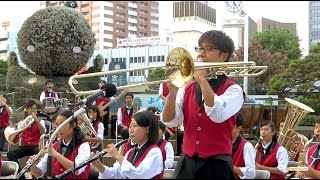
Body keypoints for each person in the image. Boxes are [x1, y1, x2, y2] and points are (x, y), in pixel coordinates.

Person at [162, 30, 244, 179]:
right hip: (187, 162)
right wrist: (172, 93)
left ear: (224, 56)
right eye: (200, 48)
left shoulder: (234, 89)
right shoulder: (187, 88)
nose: (201, 54)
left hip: (217, 165)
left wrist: (202, 79)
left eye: (209, 49)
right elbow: (170, 121)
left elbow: (217, 115)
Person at [91, 111, 163, 179]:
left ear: (147, 129)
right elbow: (116, 175)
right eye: (130, 126)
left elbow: (139, 176)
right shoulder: (131, 152)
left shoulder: (155, 152)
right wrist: (99, 166)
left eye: (135, 126)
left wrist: (118, 156)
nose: (131, 130)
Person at [30, 109, 91, 179]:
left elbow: (77, 169)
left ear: (73, 125)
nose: (58, 128)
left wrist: (55, 154)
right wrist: (33, 165)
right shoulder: (54, 146)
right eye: (56, 124)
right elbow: (39, 173)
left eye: (62, 124)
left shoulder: (84, 146)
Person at [7, 100, 46, 179]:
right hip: (24, 146)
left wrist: (36, 121)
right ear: (27, 109)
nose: (33, 110)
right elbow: (17, 137)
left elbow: (43, 131)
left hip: (35, 146)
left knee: (38, 154)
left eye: (34, 108)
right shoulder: (22, 122)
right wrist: (18, 134)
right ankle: (21, 176)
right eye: (31, 108)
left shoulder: (41, 121)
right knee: (10, 154)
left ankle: (38, 175)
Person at [232, 112, 256, 179]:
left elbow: (251, 173)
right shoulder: (221, 144)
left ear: (239, 128)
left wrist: (231, 167)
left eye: (230, 126)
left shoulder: (246, 146)